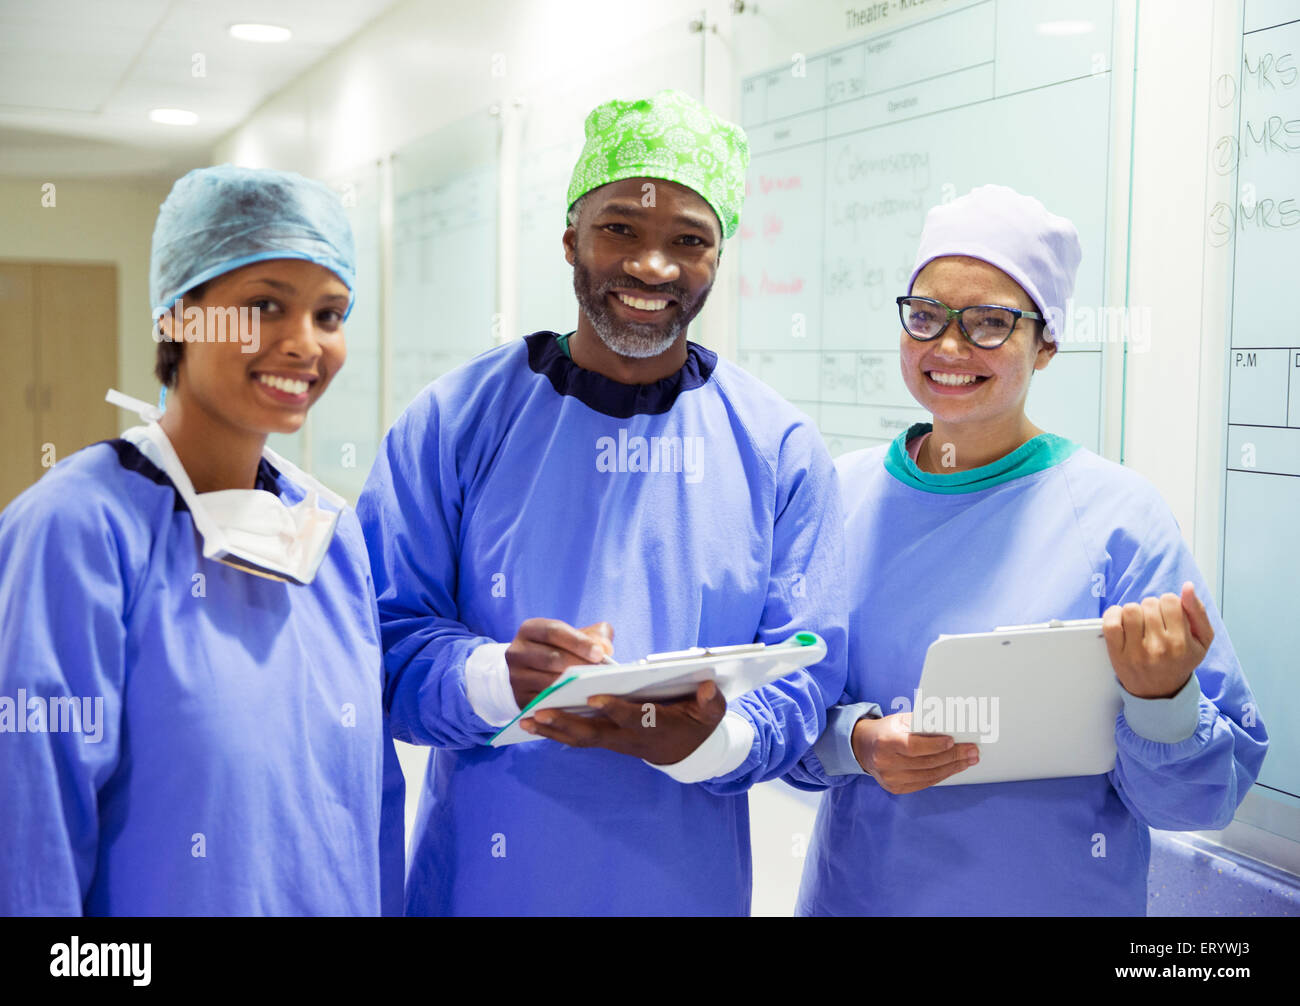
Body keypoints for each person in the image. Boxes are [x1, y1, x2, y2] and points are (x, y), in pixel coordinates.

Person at [358, 89, 847, 916]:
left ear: (717, 261)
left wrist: (708, 741)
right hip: (485, 880)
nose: (652, 266)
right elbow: (381, 643)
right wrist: (495, 679)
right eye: (621, 227)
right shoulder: (454, 423)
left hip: (680, 886)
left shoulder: (779, 451)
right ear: (570, 241)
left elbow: (806, 671)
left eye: (688, 240)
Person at [790, 184, 1268, 916]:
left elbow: (1196, 802)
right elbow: (778, 719)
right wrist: (858, 743)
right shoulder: (837, 496)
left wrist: (1164, 701)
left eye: (990, 323)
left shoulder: (1117, 519)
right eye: (925, 317)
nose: (949, 348)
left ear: (1045, 343)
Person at [0, 165, 404, 916]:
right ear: (178, 318)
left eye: (329, 313)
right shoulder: (80, 531)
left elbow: (366, 810)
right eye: (263, 306)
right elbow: (30, 829)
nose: (304, 344)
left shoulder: (330, 537)